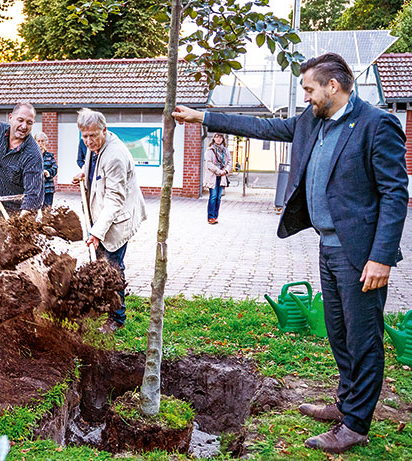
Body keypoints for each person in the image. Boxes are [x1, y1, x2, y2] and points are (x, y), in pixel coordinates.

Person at [173, 52, 408, 454]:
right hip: (328, 247)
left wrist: (382, 256)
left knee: (363, 338)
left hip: (361, 252)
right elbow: (263, 127)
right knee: (338, 333)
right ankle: (345, 404)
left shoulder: (375, 125)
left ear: (333, 86)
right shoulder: (311, 122)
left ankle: (355, 425)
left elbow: (394, 192)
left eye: (309, 89)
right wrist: (203, 117)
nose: (306, 97)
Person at [71, 109, 147, 334]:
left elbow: (114, 200)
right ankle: (101, 306)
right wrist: (83, 175)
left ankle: (117, 318)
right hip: (101, 215)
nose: (88, 141)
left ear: (105, 130)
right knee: (100, 262)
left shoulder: (115, 155)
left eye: (93, 135)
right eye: (84, 136)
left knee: (112, 267)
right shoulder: (93, 146)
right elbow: (95, 169)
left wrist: (96, 233)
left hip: (116, 218)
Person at [0, 103, 44, 221]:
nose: (24, 126)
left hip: (19, 213)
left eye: (29, 122)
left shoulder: (33, 154)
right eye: (20, 120)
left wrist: (18, 223)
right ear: (10, 118)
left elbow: (33, 195)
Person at [203, 133, 232, 224]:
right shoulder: (210, 150)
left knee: (219, 197)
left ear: (223, 139)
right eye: (217, 137)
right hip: (213, 176)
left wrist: (226, 170)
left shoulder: (225, 150)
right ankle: (210, 217)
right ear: (214, 139)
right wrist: (219, 171)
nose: (218, 139)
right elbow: (209, 163)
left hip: (222, 176)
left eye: (220, 137)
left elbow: (230, 162)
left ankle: (215, 216)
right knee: (213, 196)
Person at [35, 132, 58, 207]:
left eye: (42, 141)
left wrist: (48, 172)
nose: (40, 143)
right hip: (35, 189)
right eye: (38, 141)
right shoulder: (32, 156)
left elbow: (55, 168)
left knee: (47, 212)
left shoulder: (50, 156)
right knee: (33, 212)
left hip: (48, 188)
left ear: (45, 142)